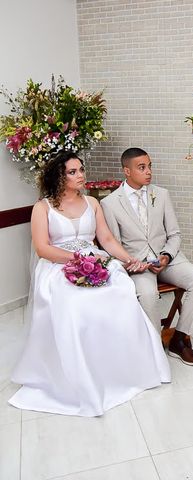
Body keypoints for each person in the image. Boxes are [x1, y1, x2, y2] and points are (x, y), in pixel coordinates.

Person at [9, 151, 171, 417]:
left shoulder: (92, 204)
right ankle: (81, 377)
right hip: (58, 266)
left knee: (122, 292)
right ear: (59, 176)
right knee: (75, 304)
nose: (81, 175)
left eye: (81, 170)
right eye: (73, 172)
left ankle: (122, 369)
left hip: (94, 260)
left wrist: (128, 259)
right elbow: (42, 249)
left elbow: (105, 240)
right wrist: (77, 259)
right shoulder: (43, 208)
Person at [101, 148, 193, 366]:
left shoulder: (161, 194)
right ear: (127, 171)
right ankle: (154, 345)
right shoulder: (110, 203)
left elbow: (175, 234)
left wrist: (167, 256)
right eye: (142, 167)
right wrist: (132, 264)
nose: (148, 171)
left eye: (150, 166)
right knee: (148, 295)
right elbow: (113, 245)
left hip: (168, 259)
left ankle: (179, 339)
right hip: (137, 265)